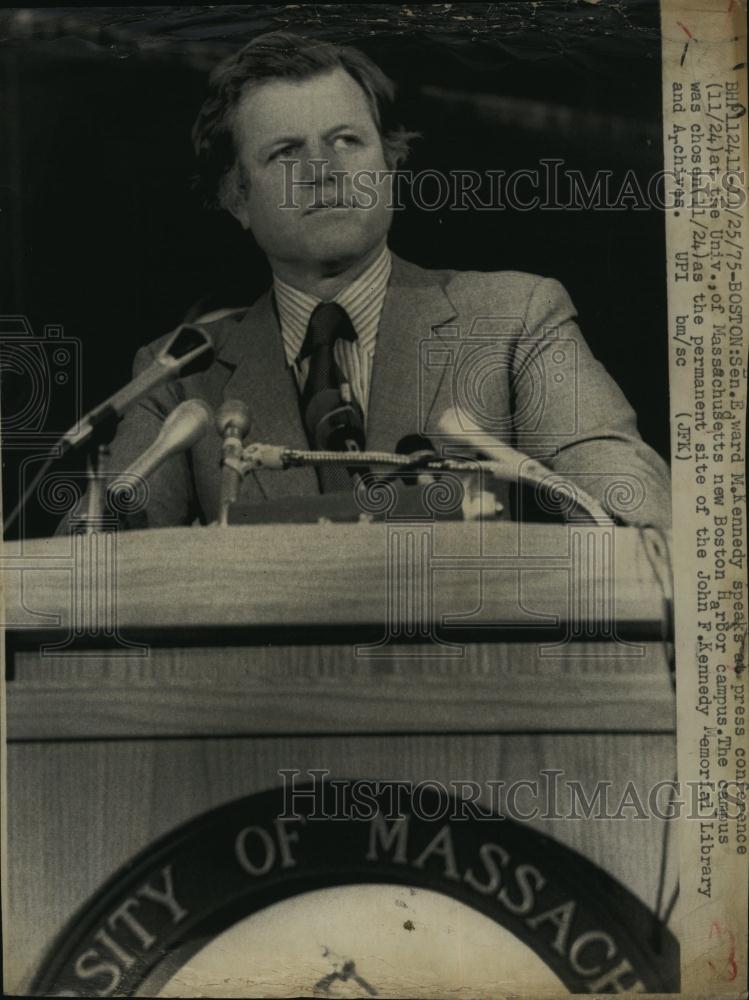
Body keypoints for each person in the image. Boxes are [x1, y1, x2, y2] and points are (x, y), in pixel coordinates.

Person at [79, 30, 671, 532]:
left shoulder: (516, 317)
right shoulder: (179, 375)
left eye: (346, 141)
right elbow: (88, 556)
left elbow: (629, 503)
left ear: (388, 165)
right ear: (237, 198)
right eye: (286, 153)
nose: (325, 171)